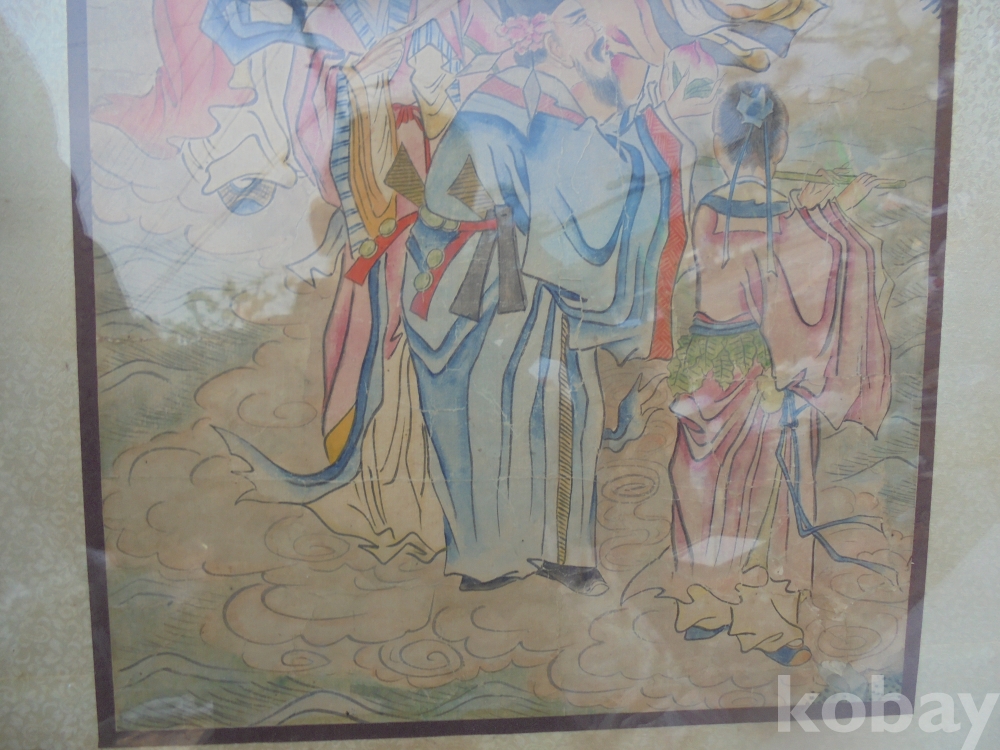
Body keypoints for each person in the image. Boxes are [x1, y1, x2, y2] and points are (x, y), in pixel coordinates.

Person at [386, 0, 704, 593]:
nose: (599, 33)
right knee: (511, 410)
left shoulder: (535, 99)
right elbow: (582, 192)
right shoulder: (522, 102)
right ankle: (520, 555)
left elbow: (580, 189)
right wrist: (654, 128)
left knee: (542, 406)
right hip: (484, 279)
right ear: (546, 40)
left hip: (502, 272)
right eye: (578, 19)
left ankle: (525, 554)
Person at [624, 82, 892, 665]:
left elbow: (730, 271)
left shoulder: (706, 211)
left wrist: (810, 215)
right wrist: (830, 213)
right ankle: (766, 620)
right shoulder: (788, 221)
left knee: (700, 484)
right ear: (782, 144)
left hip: (705, 369)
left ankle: (703, 603)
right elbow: (798, 276)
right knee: (762, 493)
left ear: (718, 144)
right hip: (761, 374)